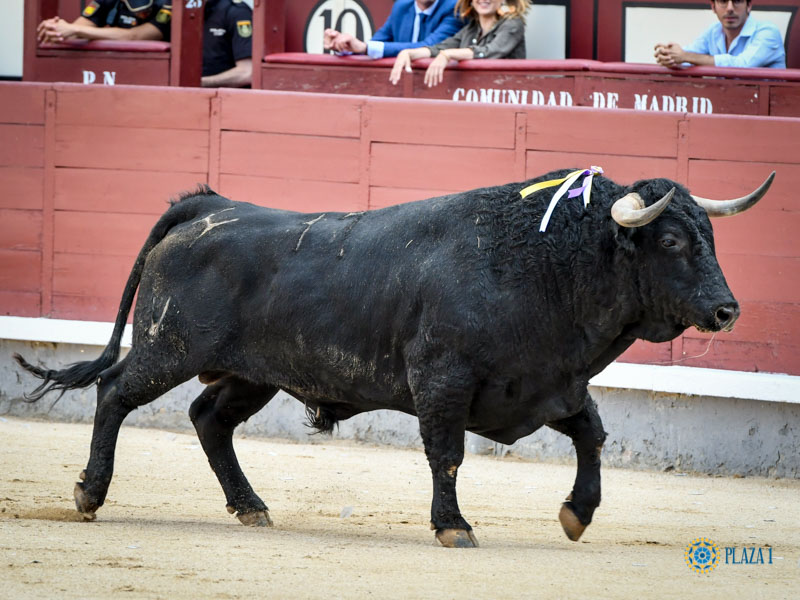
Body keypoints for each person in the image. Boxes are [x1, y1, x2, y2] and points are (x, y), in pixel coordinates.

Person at [389, 0, 529, 88]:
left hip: (506, 96)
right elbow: (440, 48)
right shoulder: (471, 28)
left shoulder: (513, 24)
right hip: (475, 95)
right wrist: (409, 52)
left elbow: (490, 51)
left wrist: (448, 55)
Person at [654, 0, 785, 69]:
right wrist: (669, 57)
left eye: (737, 1)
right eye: (723, 1)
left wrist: (684, 56)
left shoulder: (768, 32)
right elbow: (687, 57)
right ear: (713, 7)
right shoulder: (714, 31)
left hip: (769, 116)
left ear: (749, 5)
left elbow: (742, 65)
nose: (729, 8)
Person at [323, 0, 463, 59]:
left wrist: (364, 47)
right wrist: (344, 46)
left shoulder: (454, 8)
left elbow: (428, 47)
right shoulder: (401, 6)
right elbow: (374, 45)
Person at [37, 0, 172, 43]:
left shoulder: (168, 3)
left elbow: (135, 36)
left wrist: (75, 30)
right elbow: (75, 28)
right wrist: (55, 29)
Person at [200, 0, 253, 87]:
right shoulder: (180, 11)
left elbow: (247, 72)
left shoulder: (236, 12)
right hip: (187, 92)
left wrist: (199, 83)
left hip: (227, 96)